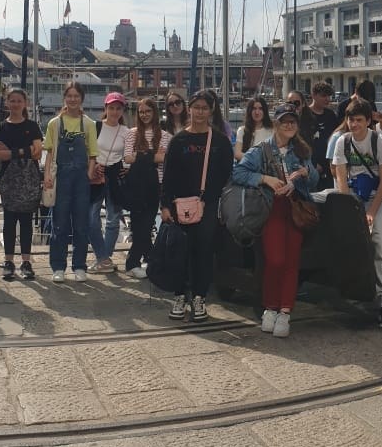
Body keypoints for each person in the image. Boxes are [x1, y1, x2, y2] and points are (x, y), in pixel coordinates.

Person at [231, 103, 312, 336]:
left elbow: (314, 176)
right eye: (284, 122)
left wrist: (305, 173)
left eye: (292, 122)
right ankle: (270, 307)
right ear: (276, 124)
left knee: (292, 262)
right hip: (271, 208)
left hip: (295, 208)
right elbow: (238, 173)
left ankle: (285, 311)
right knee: (275, 260)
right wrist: (265, 179)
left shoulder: (301, 150)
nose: (289, 125)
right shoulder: (261, 150)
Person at [159, 90, 233, 322]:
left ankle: (200, 296)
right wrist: (165, 205)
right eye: (196, 107)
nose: (200, 112)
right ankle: (179, 295)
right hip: (180, 204)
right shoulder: (178, 141)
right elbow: (168, 176)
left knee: (204, 252)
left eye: (204, 108)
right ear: (189, 109)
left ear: (211, 111)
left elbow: (227, 174)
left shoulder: (220, 141)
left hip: (208, 205)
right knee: (180, 252)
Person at [332, 99, 382, 330]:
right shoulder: (343, 142)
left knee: (381, 241)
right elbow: (341, 180)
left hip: (376, 198)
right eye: (351, 120)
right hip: (353, 198)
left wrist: (371, 212)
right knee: (352, 241)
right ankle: (355, 289)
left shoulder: (378, 142)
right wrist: (353, 211)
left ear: (368, 121)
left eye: (359, 120)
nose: (354, 124)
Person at [43, 81, 99, 283]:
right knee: (59, 225)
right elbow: (50, 153)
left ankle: (79, 266)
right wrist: (47, 176)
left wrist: (89, 174)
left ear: (81, 98)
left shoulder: (89, 124)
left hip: (81, 179)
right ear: (64, 98)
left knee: (81, 225)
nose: (73, 99)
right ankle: (58, 267)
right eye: (69, 96)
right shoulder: (55, 123)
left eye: (76, 96)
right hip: (61, 178)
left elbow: (93, 154)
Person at [0, 88, 43, 281]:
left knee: (26, 220)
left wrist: (11, 152)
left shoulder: (32, 126)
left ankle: (26, 261)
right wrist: (24, 150)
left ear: (25, 103)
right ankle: (8, 261)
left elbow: (38, 153)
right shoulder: (0, 128)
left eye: (19, 101)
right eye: (12, 101)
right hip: (8, 178)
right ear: (7, 103)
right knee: (9, 220)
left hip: (29, 177)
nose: (15, 104)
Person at [121, 96, 168, 280]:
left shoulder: (164, 135)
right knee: (138, 225)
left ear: (154, 112)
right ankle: (141, 262)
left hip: (156, 183)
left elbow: (162, 159)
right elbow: (127, 158)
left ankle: (138, 261)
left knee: (147, 224)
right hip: (136, 184)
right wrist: (151, 156)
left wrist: (140, 155)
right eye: (141, 112)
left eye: (148, 111)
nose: (144, 115)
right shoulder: (132, 133)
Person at [89, 91, 129, 274]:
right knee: (91, 219)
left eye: (118, 108)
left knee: (113, 220)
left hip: (115, 176)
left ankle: (104, 259)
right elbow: (87, 150)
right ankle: (103, 257)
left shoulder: (126, 132)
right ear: (105, 108)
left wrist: (128, 168)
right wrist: (92, 166)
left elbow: (130, 153)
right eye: (111, 108)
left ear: (122, 110)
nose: (114, 112)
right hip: (96, 174)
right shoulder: (95, 126)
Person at [301, 82, 341, 191]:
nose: (327, 99)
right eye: (323, 96)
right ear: (313, 95)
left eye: (329, 96)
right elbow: (300, 143)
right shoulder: (304, 115)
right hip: (311, 167)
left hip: (329, 165)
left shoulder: (331, 115)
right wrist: (313, 164)